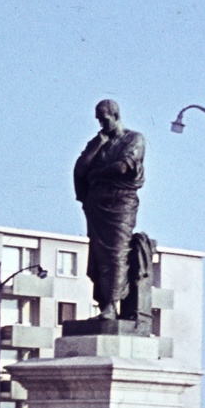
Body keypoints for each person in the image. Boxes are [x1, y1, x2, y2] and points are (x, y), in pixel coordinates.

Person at [73, 99, 145, 320]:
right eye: (99, 120)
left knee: (116, 252)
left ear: (115, 115)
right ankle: (105, 304)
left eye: (104, 120)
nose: (101, 124)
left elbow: (124, 166)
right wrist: (97, 146)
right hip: (96, 205)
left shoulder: (134, 138)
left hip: (120, 202)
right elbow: (80, 168)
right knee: (98, 256)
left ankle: (112, 306)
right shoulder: (98, 142)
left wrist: (96, 173)